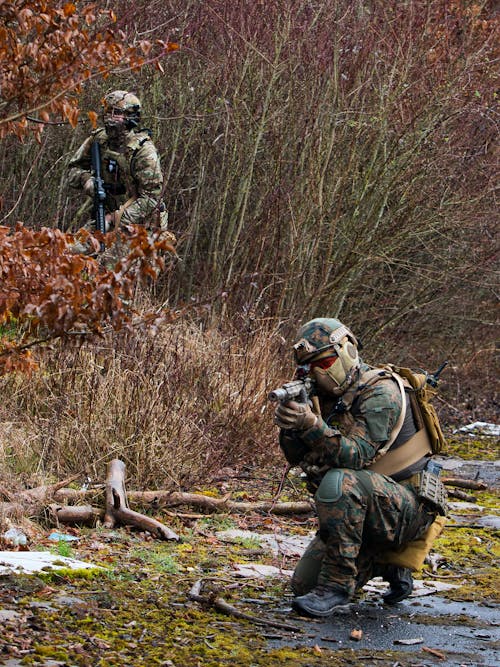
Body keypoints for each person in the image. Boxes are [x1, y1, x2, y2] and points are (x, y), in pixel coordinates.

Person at [273, 318, 446, 618]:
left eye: (325, 361)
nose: (318, 372)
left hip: (410, 508)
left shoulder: (381, 392)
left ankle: (337, 587)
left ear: (347, 351)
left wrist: (311, 424)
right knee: (302, 585)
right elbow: (295, 456)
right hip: (367, 509)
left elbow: (355, 456)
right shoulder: (325, 396)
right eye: (310, 367)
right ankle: (387, 563)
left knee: (341, 481)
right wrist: (292, 427)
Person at [66, 90, 167, 233]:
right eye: (108, 112)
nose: (110, 118)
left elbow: (151, 200)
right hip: (105, 216)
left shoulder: (143, 151)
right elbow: (73, 170)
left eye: (117, 113)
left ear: (130, 117)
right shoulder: (99, 140)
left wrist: (114, 219)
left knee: (111, 256)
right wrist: (86, 180)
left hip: (141, 226)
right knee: (71, 251)